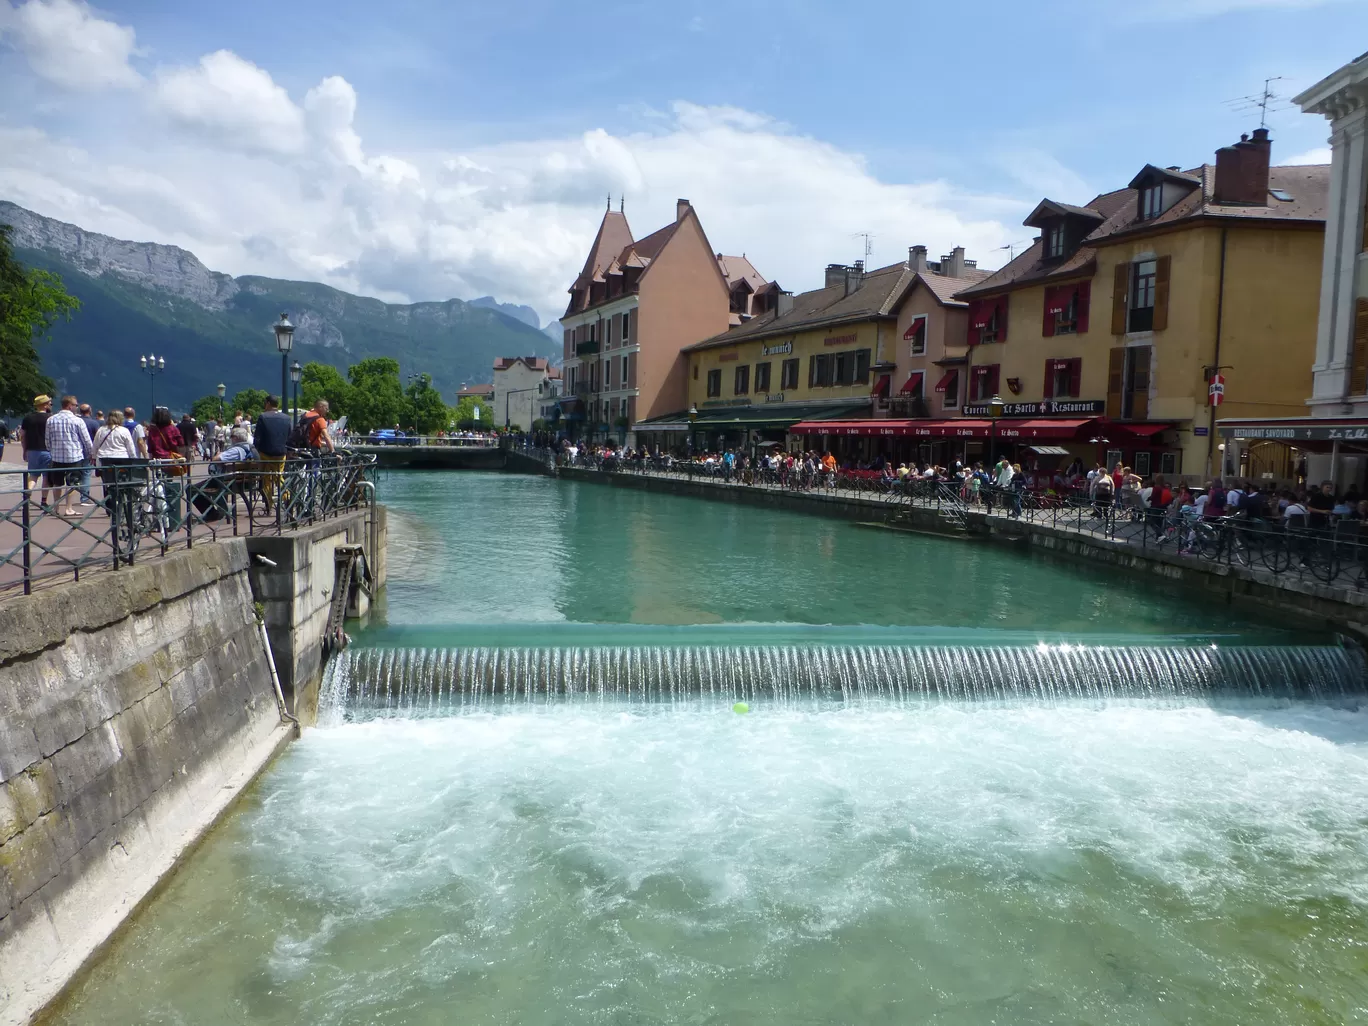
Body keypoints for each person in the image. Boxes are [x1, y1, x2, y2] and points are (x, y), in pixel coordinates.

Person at [44, 395, 94, 517]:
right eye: (76, 405)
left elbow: (47, 440)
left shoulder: (51, 420)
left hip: (56, 457)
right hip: (74, 456)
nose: (77, 407)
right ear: (70, 406)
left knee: (57, 483)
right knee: (72, 483)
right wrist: (90, 454)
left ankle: (56, 507)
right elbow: (86, 440)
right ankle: (69, 508)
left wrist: (51, 450)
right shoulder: (77, 420)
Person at [253, 395, 292, 512]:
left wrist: (257, 450)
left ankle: (269, 504)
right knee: (278, 475)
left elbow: (257, 438)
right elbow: (289, 436)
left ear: (268, 403)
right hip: (281, 453)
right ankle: (287, 496)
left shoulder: (263, 417)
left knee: (266, 478)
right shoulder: (286, 418)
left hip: (265, 453)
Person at [20, 394, 55, 508]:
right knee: (46, 477)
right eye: (49, 403)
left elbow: (23, 435)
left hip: (32, 450)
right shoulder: (51, 418)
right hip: (47, 450)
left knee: (33, 475)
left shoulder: (28, 418)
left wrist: (24, 450)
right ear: (45, 405)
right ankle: (44, 501)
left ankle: (28, 494)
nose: (51, 405)